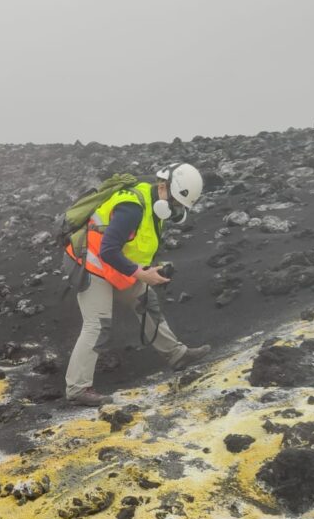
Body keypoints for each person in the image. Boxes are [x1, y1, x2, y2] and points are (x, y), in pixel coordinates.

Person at [64, 163, 210, 406]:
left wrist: (150, 270)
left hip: (116, 264)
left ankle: (177, 355)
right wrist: (142, 275)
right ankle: (77, 389)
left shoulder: (156, 207)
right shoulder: (132, 206)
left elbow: (134, 246)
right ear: (162, 187)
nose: (174, 210)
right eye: (174, 203)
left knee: (146, 301)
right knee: (98, 324)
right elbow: (109, 250)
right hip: (90, 263)